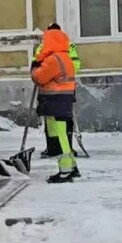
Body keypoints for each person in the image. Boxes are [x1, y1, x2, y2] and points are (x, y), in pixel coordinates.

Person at [31, 26, 79, 183]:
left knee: (59, 136)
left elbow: (39, 77)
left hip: (55, 100)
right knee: (63, 134)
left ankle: (65, 170)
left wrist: (35, 66)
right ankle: (71, 166)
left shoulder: (54, 60)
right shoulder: (65, 57)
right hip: (63, 99)